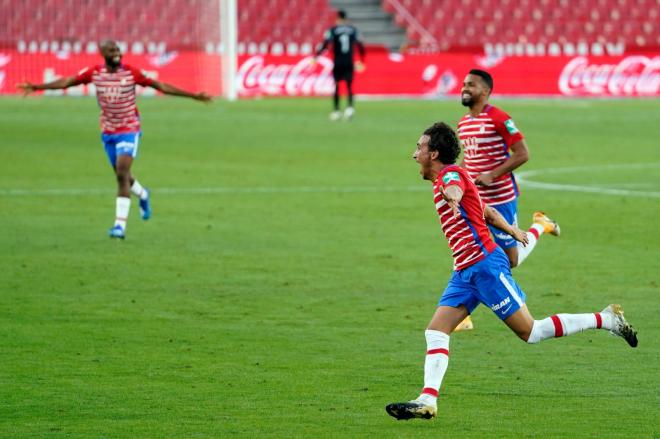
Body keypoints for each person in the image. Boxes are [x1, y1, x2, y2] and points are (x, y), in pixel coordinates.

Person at [385, 122, 638, 421]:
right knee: (436, 330)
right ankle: (427, 400)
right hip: (465, 272)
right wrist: (512, 229)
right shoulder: (455, 177)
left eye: (419, 148)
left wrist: (452, 196)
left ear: (435, 153)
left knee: (532, 332)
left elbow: (453, 186)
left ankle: (607, 319)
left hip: (485, 268)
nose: (415, 154)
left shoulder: (450, 176)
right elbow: (487, 211)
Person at [18, 40, 211, 239]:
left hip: (129, 129)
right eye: (112, 50)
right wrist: (37, 86)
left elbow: (160, 85)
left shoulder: (131, 72)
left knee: (121, 173)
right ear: (103, 53)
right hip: (108, 132)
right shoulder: (95, 73)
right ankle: (143, 194)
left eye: (118, 49)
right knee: (123, 176)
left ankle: (119, 226)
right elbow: (67, 82)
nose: (117, 53)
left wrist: (193, 96)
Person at [454, 69, 558, 331]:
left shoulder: (499, 118)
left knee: (511, 260)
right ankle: (460, 314)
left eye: (472, 85)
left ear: (485, 91)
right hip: (475, 201)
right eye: (464, 84)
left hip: (501, 199)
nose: (465, 88)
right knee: (469, 250)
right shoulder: (463, 123)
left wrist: (493, 174)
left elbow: (522, 153)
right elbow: (470, 158)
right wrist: (459, 180)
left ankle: (540, 226)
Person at [314, 9, 365, 121]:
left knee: (337, 85)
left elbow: (325, 44)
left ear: (337, 18)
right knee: (349, 86)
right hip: (348, 61)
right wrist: (362, 59)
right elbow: (360, 45)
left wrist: (316, 56)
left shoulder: (333, 30)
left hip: (338, 61)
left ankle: (336, 111)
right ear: (346, 19)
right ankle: (350, 109)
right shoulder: (353, 30)